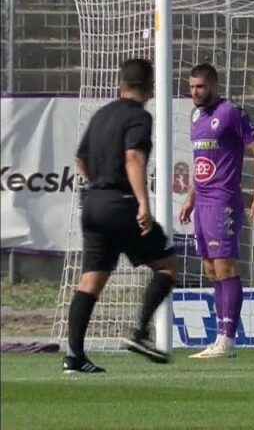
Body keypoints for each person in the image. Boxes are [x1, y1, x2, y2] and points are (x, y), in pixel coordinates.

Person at [63, 58, 177, 373]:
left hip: (93, 203)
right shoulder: (139, 116)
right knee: (168, 265)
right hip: (121, 202)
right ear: (150, 86)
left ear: (120, 84)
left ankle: (74, 356)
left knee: (90, 281)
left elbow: (80, 159)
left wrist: (100, 185)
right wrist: (142, 203)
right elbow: (133, 157)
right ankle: (140, 333)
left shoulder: (101, 115)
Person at [179, 64, 254, 359]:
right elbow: (200, 162)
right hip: (202, 203)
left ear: (214, 86)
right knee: (209, 268)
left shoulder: (230, 112)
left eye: (200, 87)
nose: (195, 92)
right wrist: (190, 198)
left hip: (223, 200)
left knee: (225, 267)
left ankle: (228, 339)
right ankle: (219, 337)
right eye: (192, 87)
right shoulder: (195, 117)